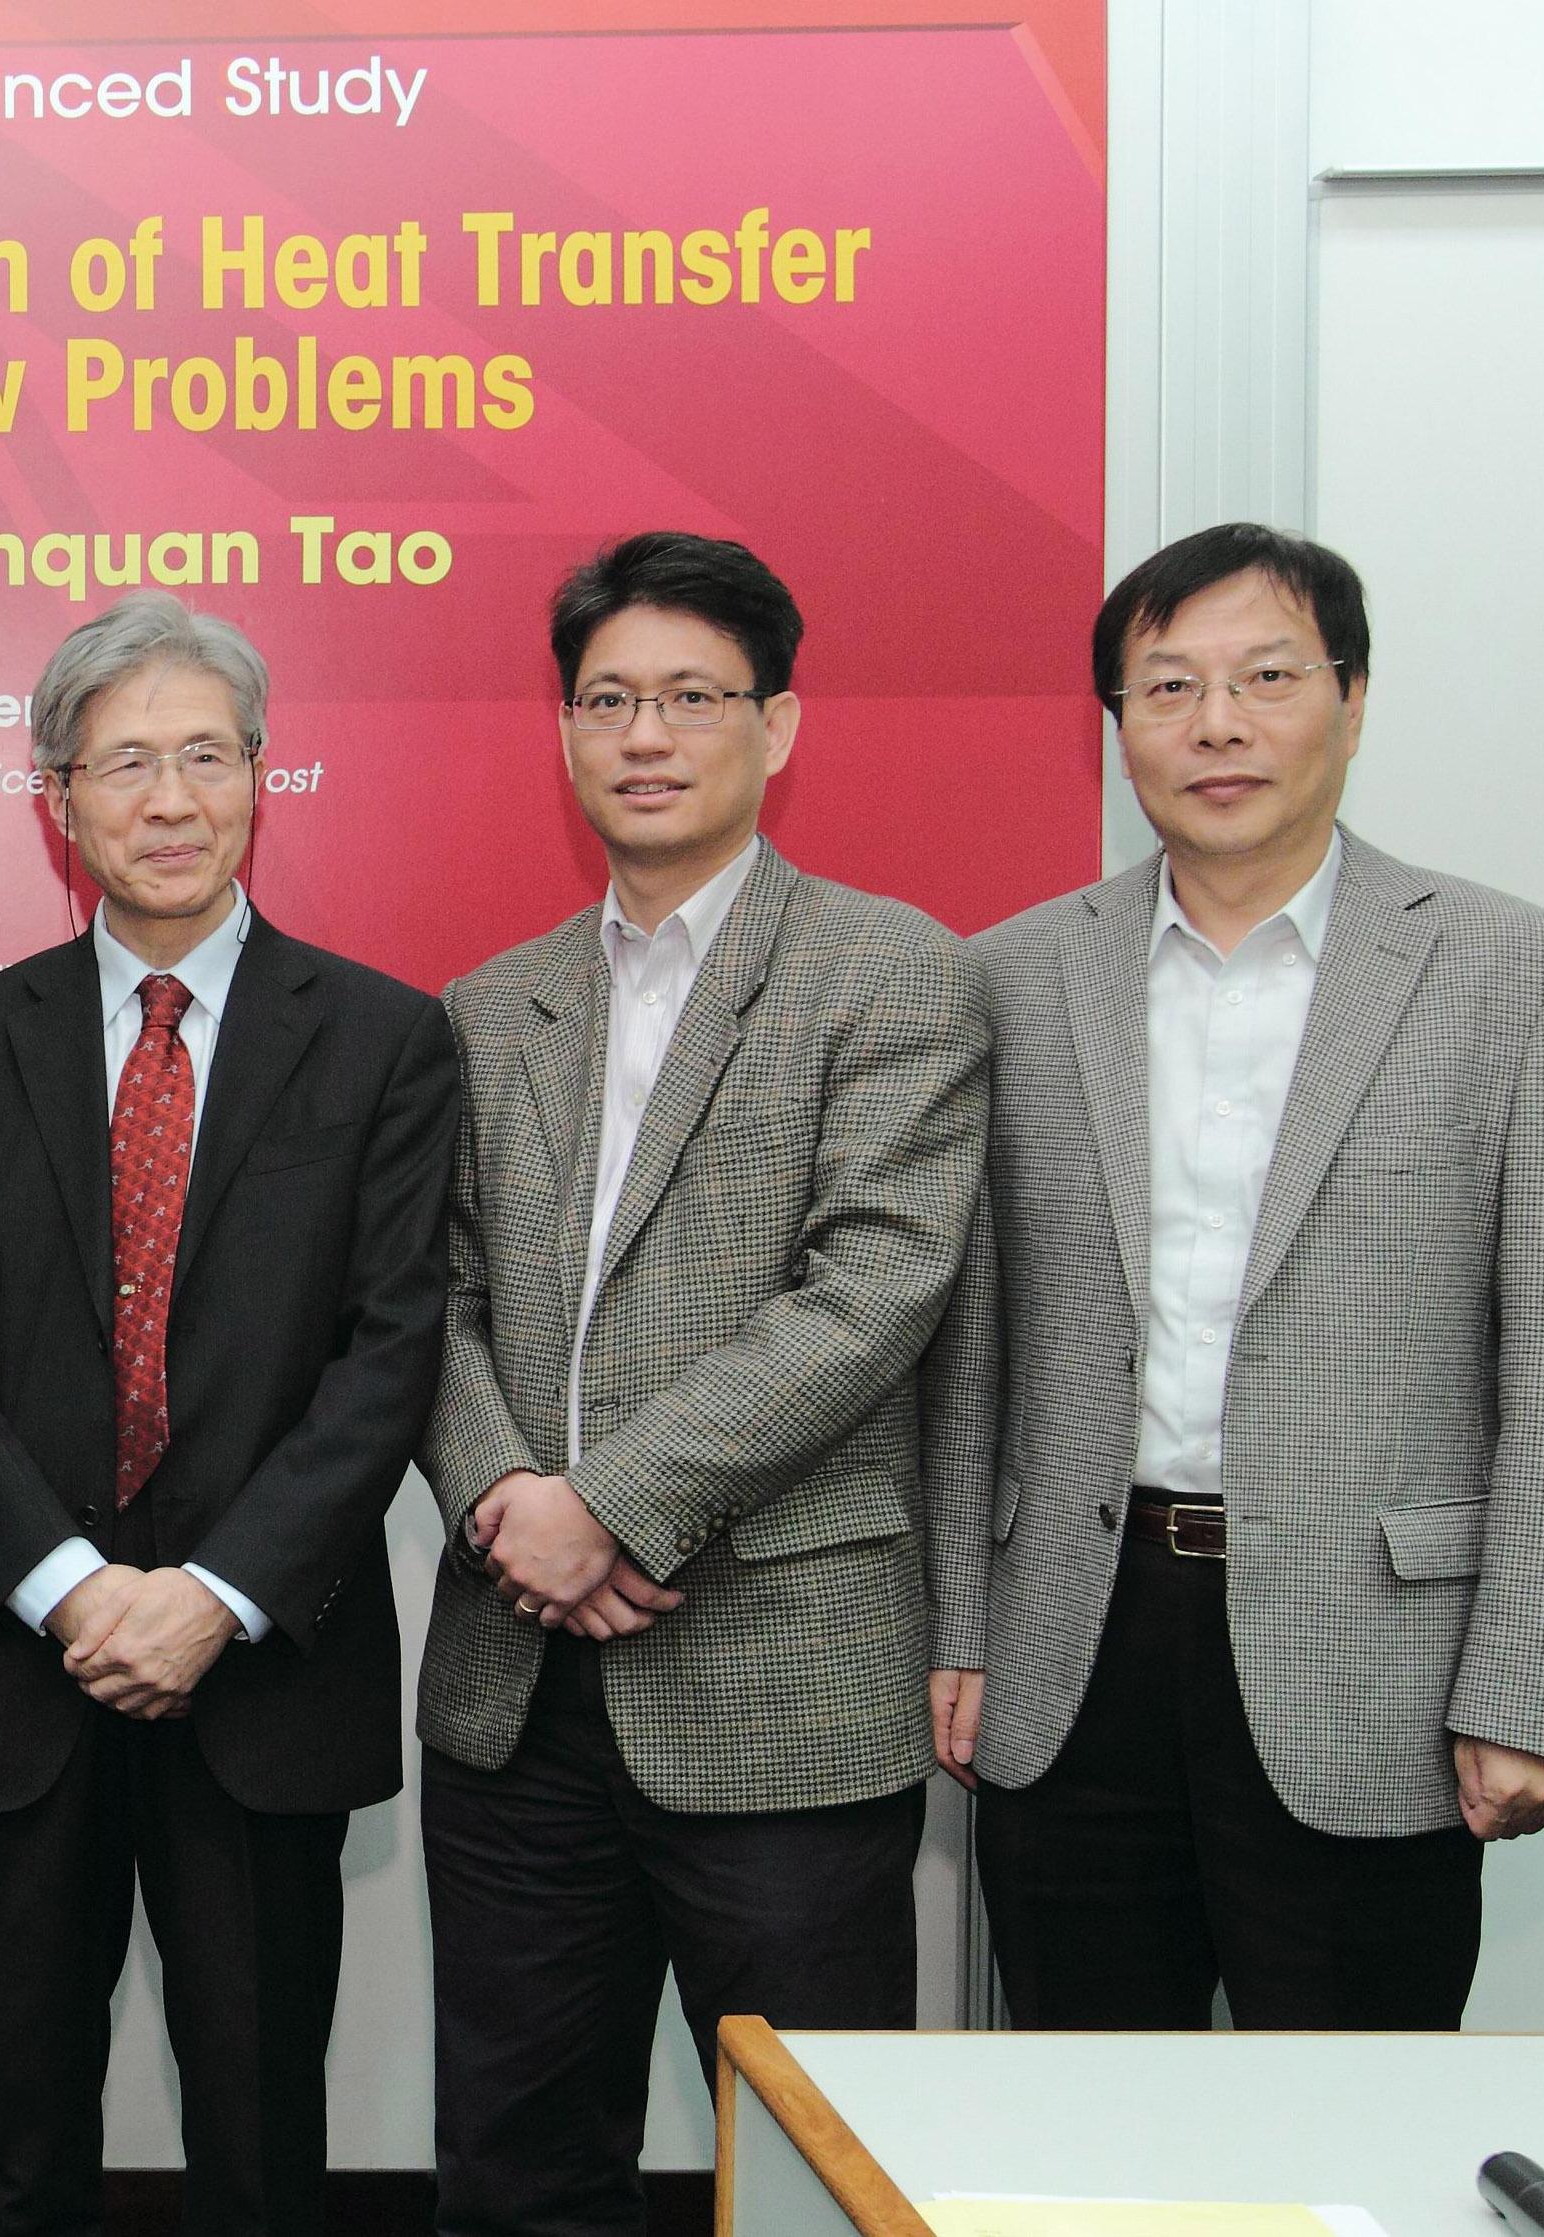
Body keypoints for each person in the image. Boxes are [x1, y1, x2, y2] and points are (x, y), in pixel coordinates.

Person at [928, 522, 1544, 2029]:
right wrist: (961, 1621)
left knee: (1351, 2125)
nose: (1216, 724)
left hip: (1380, 1661)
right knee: (1087, 2133)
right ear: (1119, 728)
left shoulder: (1520, 976)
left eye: (1266, 676)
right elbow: (971, 1350)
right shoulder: (1011, 976)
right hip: (1076, 1646)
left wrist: (1532, 1686)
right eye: (1168, 686)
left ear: (1352, 702)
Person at [0, 592, 452, 2236]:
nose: (171, 799)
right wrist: (69, 1585)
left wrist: (211, 1594)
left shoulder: (390, 1042)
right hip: (18, 1669)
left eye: (207, 755)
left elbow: (389, 1355)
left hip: (266, 1670)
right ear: (58, 800)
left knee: (264, 2139)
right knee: (14, 2135)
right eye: (126, 763)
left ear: (266, 777)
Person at [423, 533, 987, 2237]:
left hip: (786, 1689)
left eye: (691, 698)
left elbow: (875, 1286)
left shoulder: (889, 972)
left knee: (818, 2170)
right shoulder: (488, 1004)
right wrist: (511, 1504)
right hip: (513, 1696)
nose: (645, 735)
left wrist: (607, 1503)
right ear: (567, 731)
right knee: (519, 2164)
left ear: (780, 724)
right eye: (608, 700)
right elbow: (420, 1303)